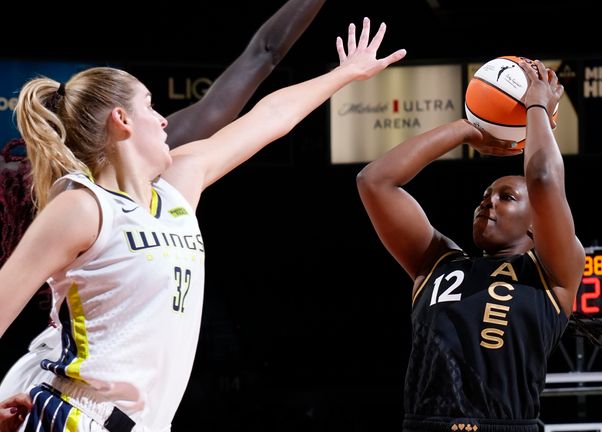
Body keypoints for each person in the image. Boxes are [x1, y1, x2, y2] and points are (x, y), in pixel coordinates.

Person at [0, 16, 405, 432]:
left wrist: (343, 75)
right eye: (151, 105)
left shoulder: (179, 186)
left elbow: (271, 117)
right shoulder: (83, 207)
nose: (163, 120)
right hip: (76, 418)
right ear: (121, 119)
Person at [356, 58, 584, 432]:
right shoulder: (437, 264)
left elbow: (543, 177)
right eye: (485, 195)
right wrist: (465, 129)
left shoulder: (551, 273)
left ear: (536, 225)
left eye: (506, 197)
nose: (487, 201)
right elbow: (374, 181)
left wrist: (537, 106)